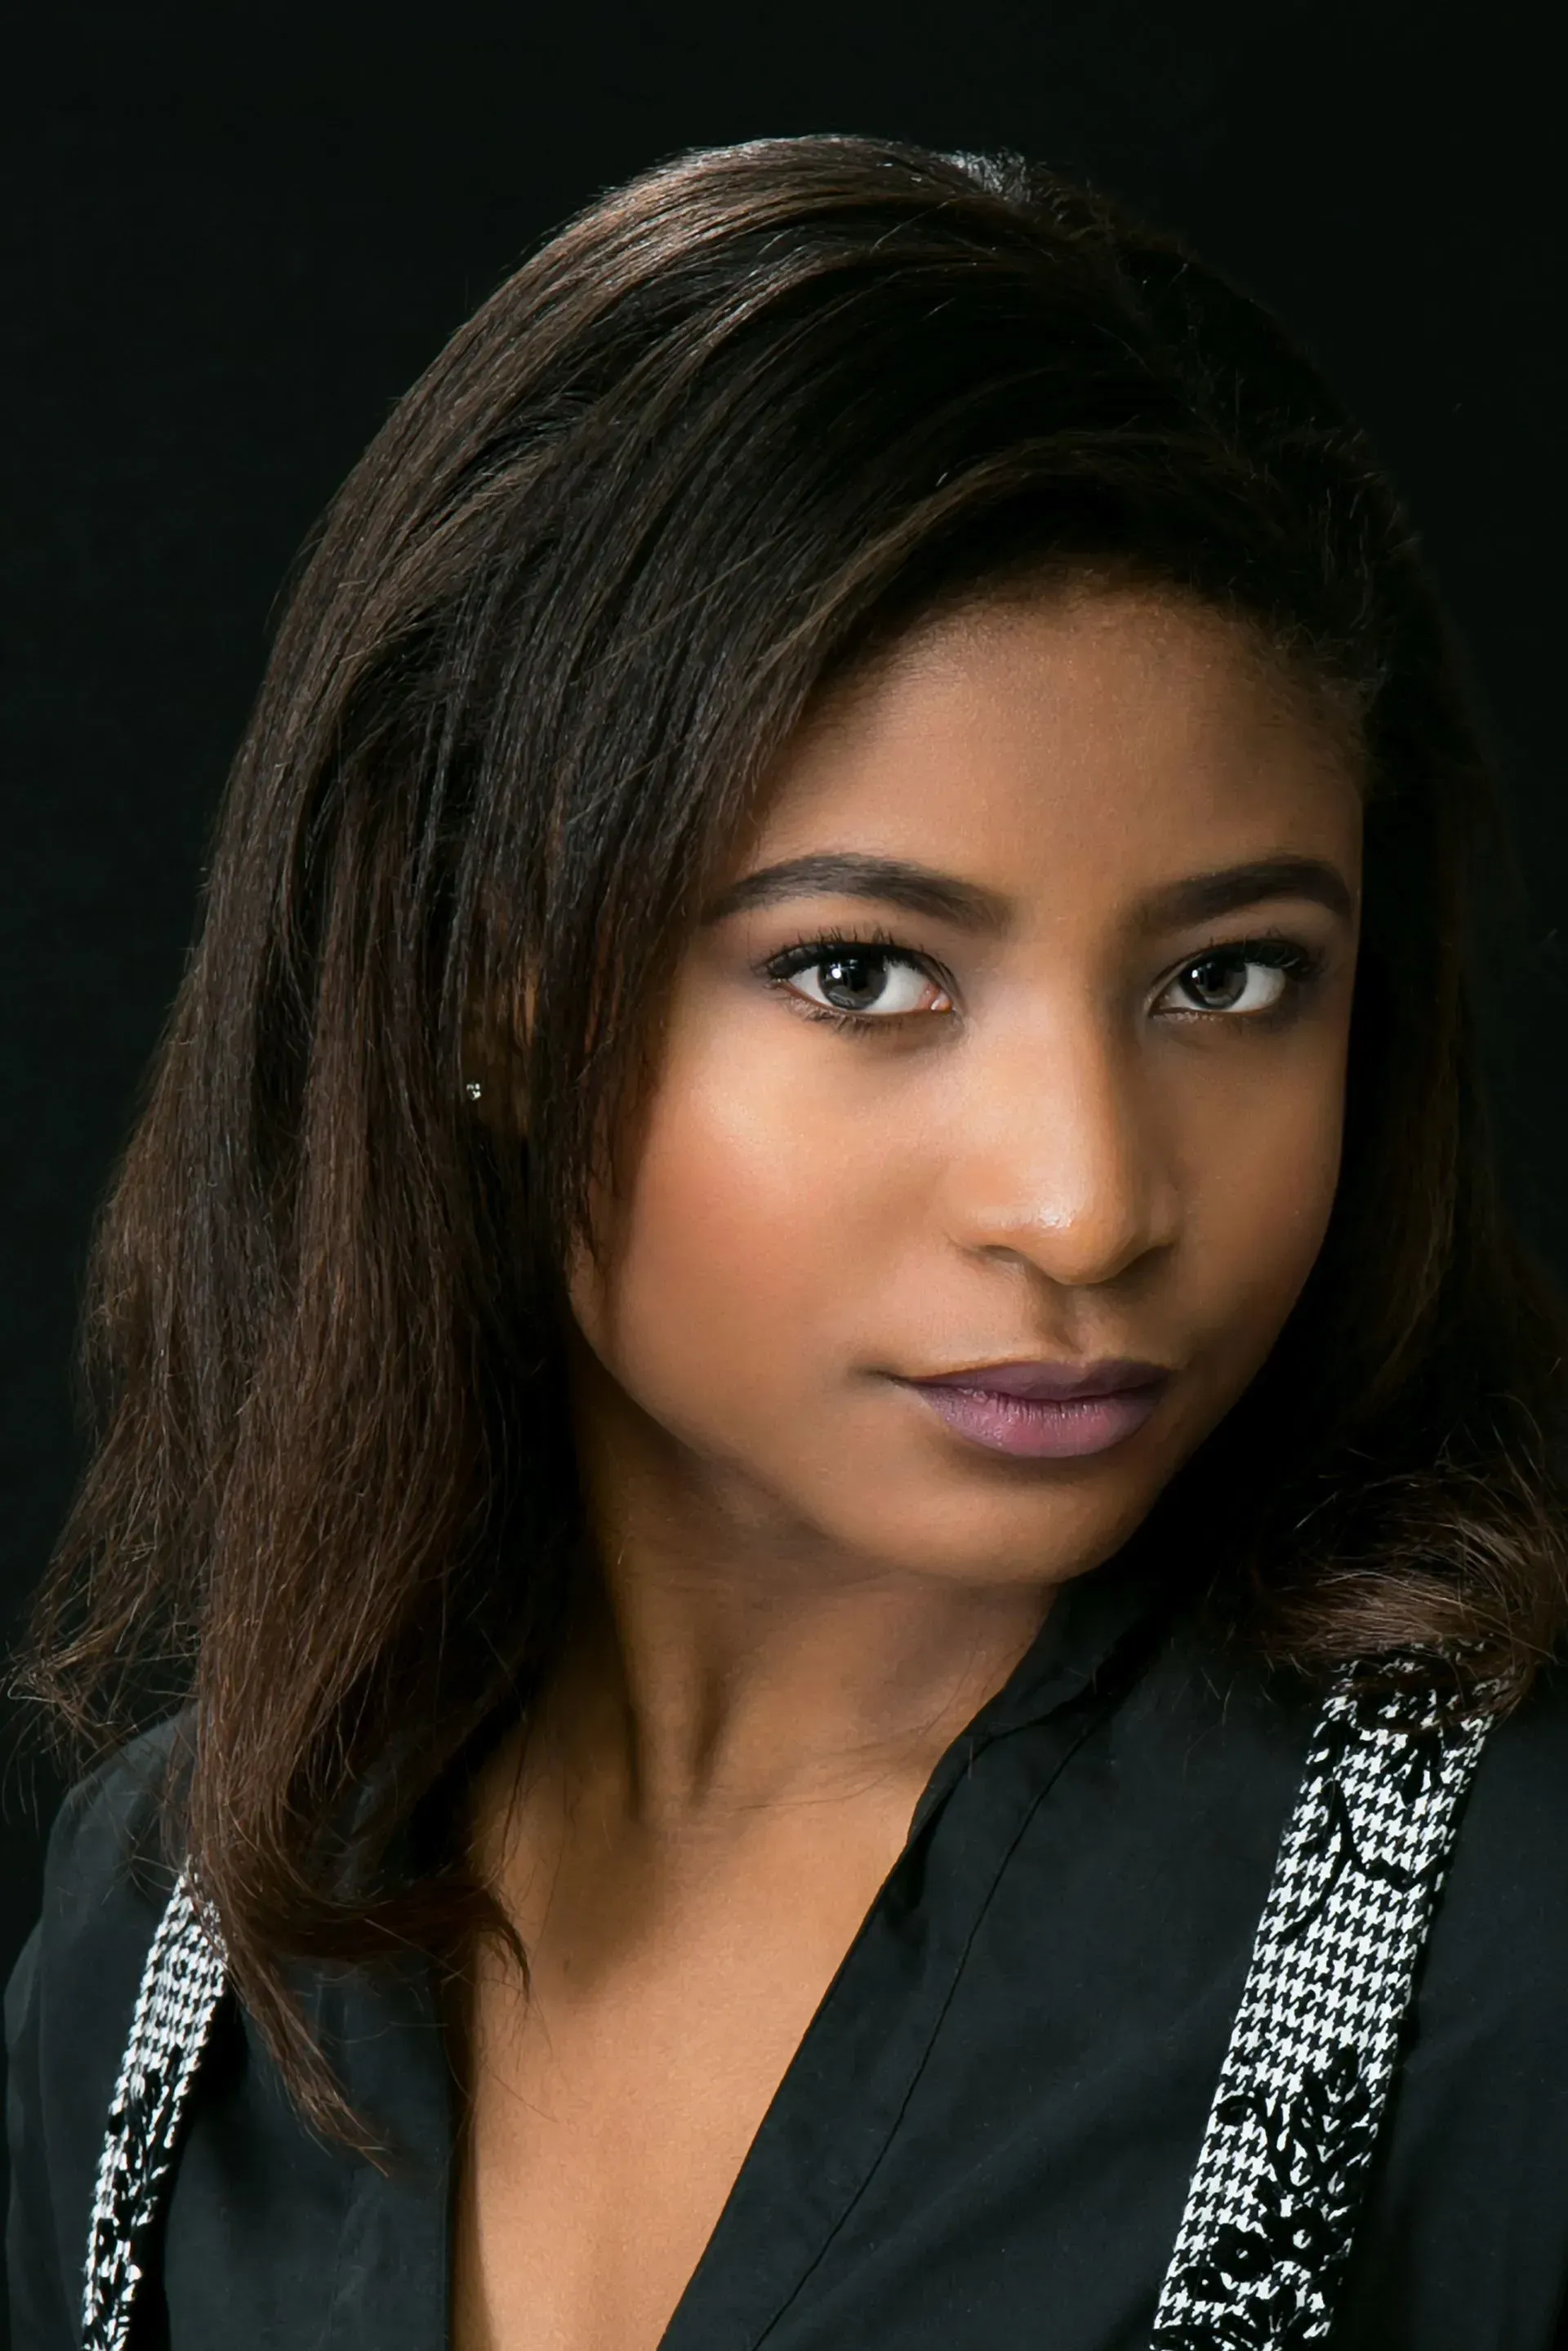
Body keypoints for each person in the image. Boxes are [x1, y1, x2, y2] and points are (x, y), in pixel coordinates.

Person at [7, 132, 1568, 2351]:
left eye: (1226, 978)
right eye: (861, 973)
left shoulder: (1495, 1951)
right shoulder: (177, 1939)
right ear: (490, 997)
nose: (1090, 1199)